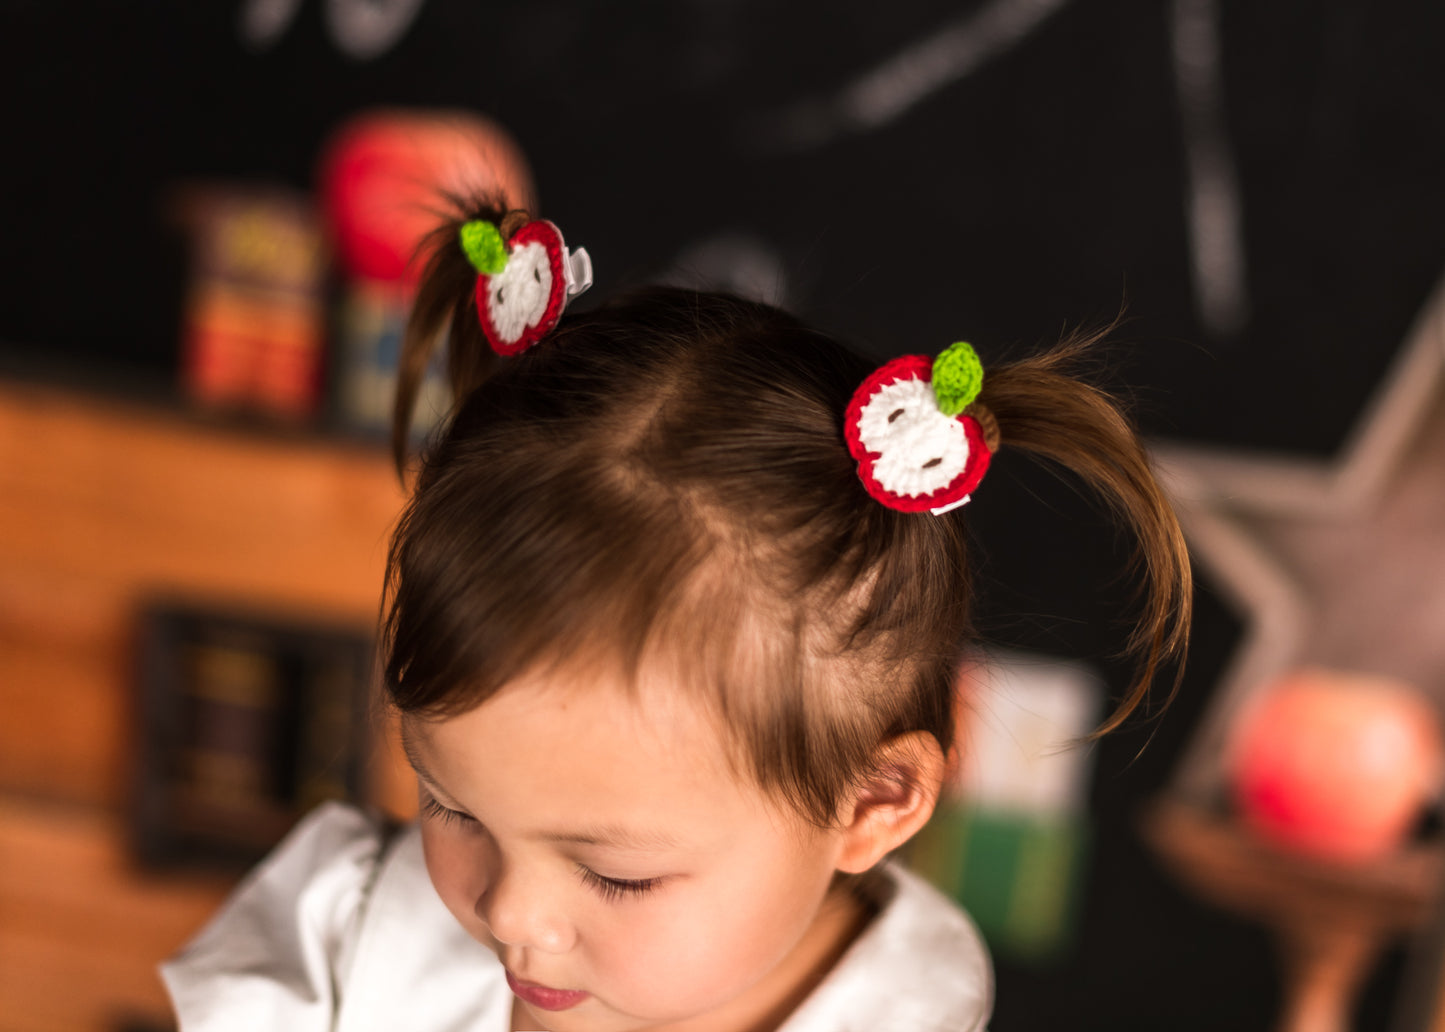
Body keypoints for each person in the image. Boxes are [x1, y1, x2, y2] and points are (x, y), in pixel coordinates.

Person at [161, 197, 1192, 1032]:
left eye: (617, 876)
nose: (508, 913)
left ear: (871, 799)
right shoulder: (352, 939)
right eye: (454, 807)